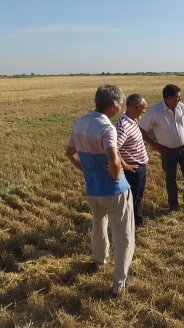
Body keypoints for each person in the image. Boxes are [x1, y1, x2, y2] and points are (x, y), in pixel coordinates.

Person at [65, 84, 136, 297]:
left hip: (93, 190)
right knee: (123, 236)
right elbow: (114, 160)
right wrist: (116, 174)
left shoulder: (80, 122)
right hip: (115, 192)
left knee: (98, 227)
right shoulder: (107, 128)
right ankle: (119, 284)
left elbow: (69, 152)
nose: (122, 107)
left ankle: (98, 261)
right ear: (114, 106)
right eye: (120, 104)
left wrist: (86, 170)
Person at [139, 84, 184, 211]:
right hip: (167, 151)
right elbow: (141, 129)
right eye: (177, 97)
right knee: (171, 179)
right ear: (168, 98)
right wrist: (154, 144)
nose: (180, 100)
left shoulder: (181, 107)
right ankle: (174, 206)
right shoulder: (155, 111)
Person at [116, 94, 149, 228]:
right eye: (143, 109)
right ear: (135, 107)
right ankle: (128, 227)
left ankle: (138, 222)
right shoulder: (123, 125)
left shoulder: (133, 121)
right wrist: (125, 165)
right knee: (132, 200)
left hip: (140, 168)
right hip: (133, 170)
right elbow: (113, 148)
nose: (144, 112)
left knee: (138, 198)